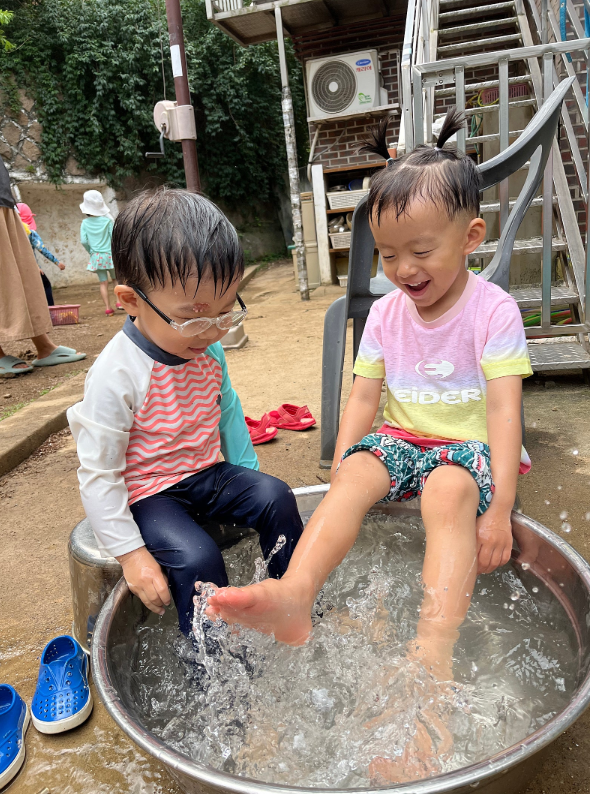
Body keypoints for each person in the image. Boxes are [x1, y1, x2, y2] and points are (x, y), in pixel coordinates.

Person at [206, 110, 533, 681]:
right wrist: (342, 464)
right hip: (402, 439)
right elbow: (362, 398)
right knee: (355, 474)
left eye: (422, 251)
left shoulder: (493, 311)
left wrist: (500, 508)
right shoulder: (384, 314)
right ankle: (295, 593)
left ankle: (435, 646)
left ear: (470, 238)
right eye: (387, 254)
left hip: (467, 447)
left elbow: (506, 409)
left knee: (446, 493)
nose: (403, 269)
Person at [68, 188, 303, 636]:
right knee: (198, 558)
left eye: (224, 312)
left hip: (205, 473)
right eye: (194, 317)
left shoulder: (208, 348)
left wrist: (247, 477)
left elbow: (226, 412)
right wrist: (132, 555)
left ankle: (290, 599)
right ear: (131, 300)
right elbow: (98, 475)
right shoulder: (116, 375)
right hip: (151, 494)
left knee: (277, 496)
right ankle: (210, 660)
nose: (212, 331)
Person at [0, 157, 86, 377]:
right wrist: (57, 262)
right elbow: (43, 249)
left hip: (3, 202)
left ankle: (44, 346)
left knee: (21, 277)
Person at [79, 189, 121, 316]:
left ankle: (108, 308)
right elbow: (114, 238)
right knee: (116, 279)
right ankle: (119, 302)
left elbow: (83, 241)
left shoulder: (85, 223)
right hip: (110, 255)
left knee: (103, 282)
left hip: (96, 256)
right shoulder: (107, 221)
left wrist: (91, 252)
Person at [16, 202, 66, 306]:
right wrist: (57, 262)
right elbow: (42, 249)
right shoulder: (30, 233)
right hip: (31, 267)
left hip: (16, 269)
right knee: (46, 285)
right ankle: (50, 310)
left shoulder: (12, 233)